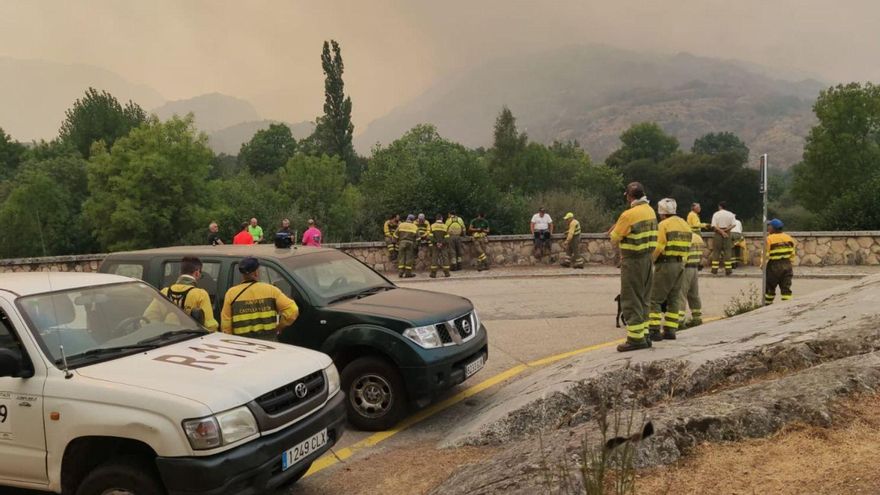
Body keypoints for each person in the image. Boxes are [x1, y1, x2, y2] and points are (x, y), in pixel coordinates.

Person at [610, 182, 658, 352]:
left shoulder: (628, 215)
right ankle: (644, 335)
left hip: (632, 260)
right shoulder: (650, 211)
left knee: (631, 298)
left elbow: (614, 238)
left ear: (629, 197)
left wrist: (616, 227)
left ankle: (635, 339)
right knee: (644, 298)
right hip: (647, 259)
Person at [220, 257, 299, 340]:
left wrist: (230, 341)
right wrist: (280, 327)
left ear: (242, 274)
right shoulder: (271, 290)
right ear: (256, 273)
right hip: (268, 343)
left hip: (242, 344)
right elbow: (293, 310)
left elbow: (225, 324)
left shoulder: (231, 293)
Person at [647, 198, 691, 341]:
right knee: (674, 298)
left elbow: (659, 246)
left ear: (661, 213)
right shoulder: (685, 224)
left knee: (655, 299)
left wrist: (651, 260)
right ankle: (670, 330)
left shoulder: (663, 225)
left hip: (666, 264)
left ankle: (654, 330)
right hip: (681, 264)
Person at [145, 256, 218, 331]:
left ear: (180, 272)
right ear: (197, 273)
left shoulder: (164, 292)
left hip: (167, 339)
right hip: (191, 339)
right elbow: (210, 326)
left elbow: (148, 317)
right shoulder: (201, 294)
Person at [764, 218, 796, 305]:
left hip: (774, 266)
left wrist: (762, 265)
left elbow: (765, 254)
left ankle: (767, 306)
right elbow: (792, 253)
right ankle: (787, 306)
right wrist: (790, 263)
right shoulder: (789, 238)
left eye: (769, 226)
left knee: (770, 289)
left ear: (773, 228)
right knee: (786, 288)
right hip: (787, 265)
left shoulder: (769, 239)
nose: (768, 228)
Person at [678, 232, 704, 328]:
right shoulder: (697, 238)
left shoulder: (685, 238)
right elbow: (701, 255)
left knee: (681, 294)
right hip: (695, 268)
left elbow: (684, 256)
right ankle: (697, 318)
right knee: (694, 294)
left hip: (686, 268)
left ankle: (679, 321)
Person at [710, 202, 737, 275]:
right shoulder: (730, 214)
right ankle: (728, 270)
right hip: (727, 233)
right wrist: (725, 231)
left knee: (716, 252)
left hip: (718, 233)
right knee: (727, 251)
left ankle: (714, 270)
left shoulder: (716, 214)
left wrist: (721, 231)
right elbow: (734, 224)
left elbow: (714, 226)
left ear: (720, 206)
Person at [429, 214, 451, 278]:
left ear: (436, 219)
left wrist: (436, 243)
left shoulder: (432, 226)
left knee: (434, 258)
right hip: (443, 245)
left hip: (435, 245)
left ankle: (433, 274)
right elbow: (447, 237)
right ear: (441, 219)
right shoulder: (445, 226)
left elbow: (430, 237)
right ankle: (447, 273)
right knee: (445, 258)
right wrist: (442, 243)